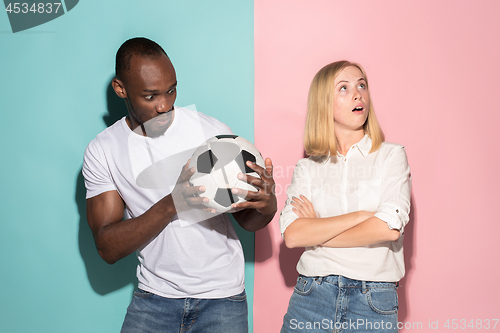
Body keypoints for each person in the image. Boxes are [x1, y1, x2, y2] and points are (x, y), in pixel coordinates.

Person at [82, 37, 277, 333]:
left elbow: (246, 219)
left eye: (171, 90)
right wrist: (173, 203)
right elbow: (107, 247)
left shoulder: (210, 132)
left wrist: (266, 205)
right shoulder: (104, 150)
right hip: (154, 298)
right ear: (121, 89)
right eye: (150, 96)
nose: (164, 105)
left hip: (222, 299)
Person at [279, 61, 411, 333]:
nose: (357, 94)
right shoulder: (307, 168)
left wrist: (317, 231)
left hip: (373, 301)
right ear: (323, 103)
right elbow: (293, 235)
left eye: (361, 85)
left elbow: (388, 228)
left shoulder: (391, 156)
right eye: (344, 88)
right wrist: (361, 217)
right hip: (311, 297)